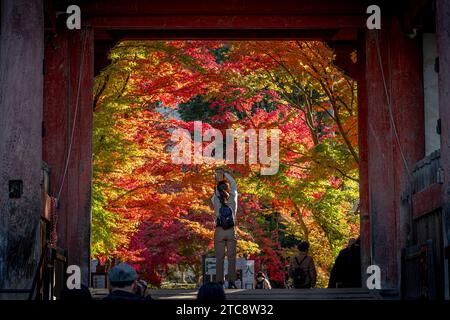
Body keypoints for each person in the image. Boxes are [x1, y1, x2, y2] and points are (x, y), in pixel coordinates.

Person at [212, 169, 238, 289]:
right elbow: (233, 184)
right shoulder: (233, 199)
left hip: (219, 231)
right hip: (231, 231)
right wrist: (226, 174)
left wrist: (217, 176)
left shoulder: (216, 200)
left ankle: (219, 281)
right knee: (232, 256)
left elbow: (215, 191)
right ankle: (232, 281)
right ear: (228, 189)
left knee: (219, 257)